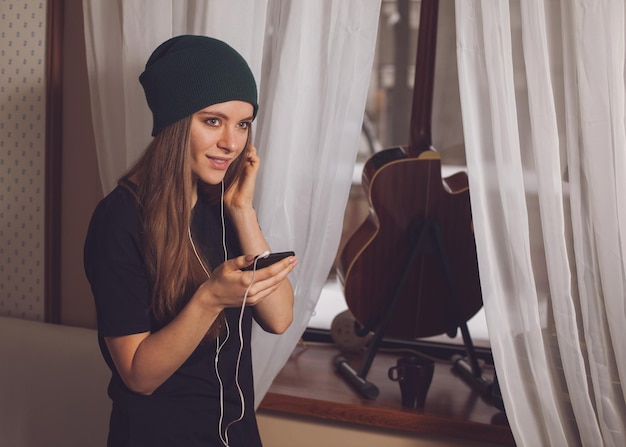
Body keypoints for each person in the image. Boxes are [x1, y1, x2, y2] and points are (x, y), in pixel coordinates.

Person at [84, 35, 297, 447]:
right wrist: (210, 297)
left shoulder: (224, 207)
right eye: (213, 121)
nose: (231, 143)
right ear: (175, 122)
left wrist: (242, 212)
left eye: (243, 124)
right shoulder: (119, 219)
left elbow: (279, 317)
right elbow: (138, 376)